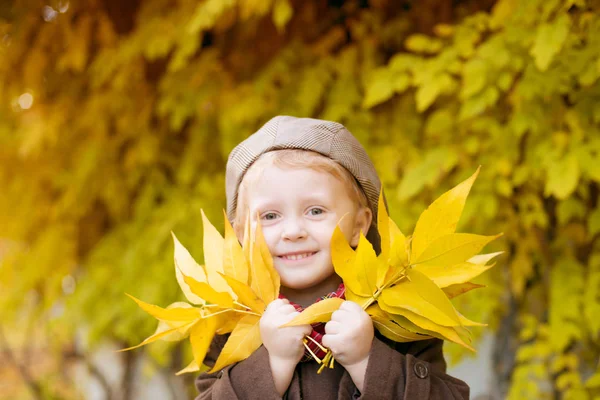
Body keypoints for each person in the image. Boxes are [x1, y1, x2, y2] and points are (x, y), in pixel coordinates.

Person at [195, 116, 470, 399]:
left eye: (315, 211)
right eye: (270, 216)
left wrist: (367, 361)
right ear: (241, 233)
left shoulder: (402, 315)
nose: (292, 231)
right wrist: (272, 365)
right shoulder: (230, 324)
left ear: (359, 226)